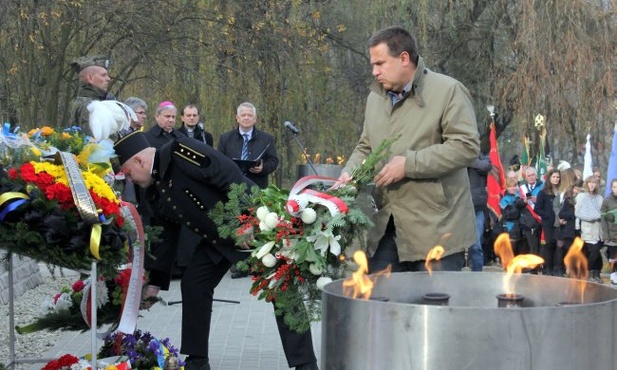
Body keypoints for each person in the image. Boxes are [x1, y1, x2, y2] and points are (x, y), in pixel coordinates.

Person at [114, 130, 318, 370]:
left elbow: (229, 175)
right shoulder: (154, 186)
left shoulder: (181, 152)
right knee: (194, 283)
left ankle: (306, 364)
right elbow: (166, 236)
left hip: (250, 227)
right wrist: (154, 282)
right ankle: (197, 362)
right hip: (217, 240)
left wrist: (250, 220)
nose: (129, 180)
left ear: (139, 161)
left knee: (281, 288)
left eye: (128, 173)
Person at [337, 26, 480, 273]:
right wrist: (349, 175)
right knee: (380, 303)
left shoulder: (448, 91)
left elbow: (466, 146)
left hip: (438, 232)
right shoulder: (375, 98)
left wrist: (408, 164)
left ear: (404, 58)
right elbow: (366, 146)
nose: (374, 71)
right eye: (373, 64)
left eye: (380, 63)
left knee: (434, 309)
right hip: (388, 226)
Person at [218, 102, 279, 189]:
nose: (246, 118)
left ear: (255, 119)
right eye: (243, 115)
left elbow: (273, 161)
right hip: (231, 187)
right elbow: (219, 161)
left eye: (250, 115)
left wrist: (263, 168)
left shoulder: (267, 139)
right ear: (237, 118)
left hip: (257, 187)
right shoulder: (225, 138)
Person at [69, 55, 115, 133]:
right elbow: (93, 142)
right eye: (103, 75)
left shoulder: (92, 102)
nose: (108, 79)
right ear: (90, 78)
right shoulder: (90, 106)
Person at [575, 175, 604, 283]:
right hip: (586, 229)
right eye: (590, 182)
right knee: (591, 252)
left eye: (594, 183)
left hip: (597, 229)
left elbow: (601, 214)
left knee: (596, 252)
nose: (592, 185)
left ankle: (595, 273)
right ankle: (586, 272)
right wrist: (577, 228)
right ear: (587, 183)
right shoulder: (581, 196)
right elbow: (577, 213)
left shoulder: (599, 198)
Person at [467, 153, 492, 271]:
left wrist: (466, 159)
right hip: (458, 206)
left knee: (476, 244)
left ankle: (477, 274)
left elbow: (486, 166)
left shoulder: (484, 158)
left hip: (477, 207)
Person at [534, 169, 561, 275]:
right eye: (554, 177)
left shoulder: (561, 192)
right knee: (549, 245)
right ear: (549, 178)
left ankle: (557, 268)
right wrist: (547, 216)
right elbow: (537, 208)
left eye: (558, 177)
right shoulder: (543, 193)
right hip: (548, 223)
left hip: (559, 223)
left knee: (558, 246)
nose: (556, 179)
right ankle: (547, 268)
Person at [499, 178, 526, 255]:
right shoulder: (504, 200)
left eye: (514, 186)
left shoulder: (520, 196)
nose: (513, 188)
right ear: (507, 188)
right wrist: (518, 205)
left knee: (521, 249)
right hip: (510, 227)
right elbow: (508, 214)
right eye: (510, 186)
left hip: (521, 226)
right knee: (511, 249)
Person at [601, 179, 617, 276]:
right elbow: (603, 220)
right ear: (611, 188)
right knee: (612, 255)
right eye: (614, 187)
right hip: (611, 234)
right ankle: (612, 274)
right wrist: (606, 236)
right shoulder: (607, 201)